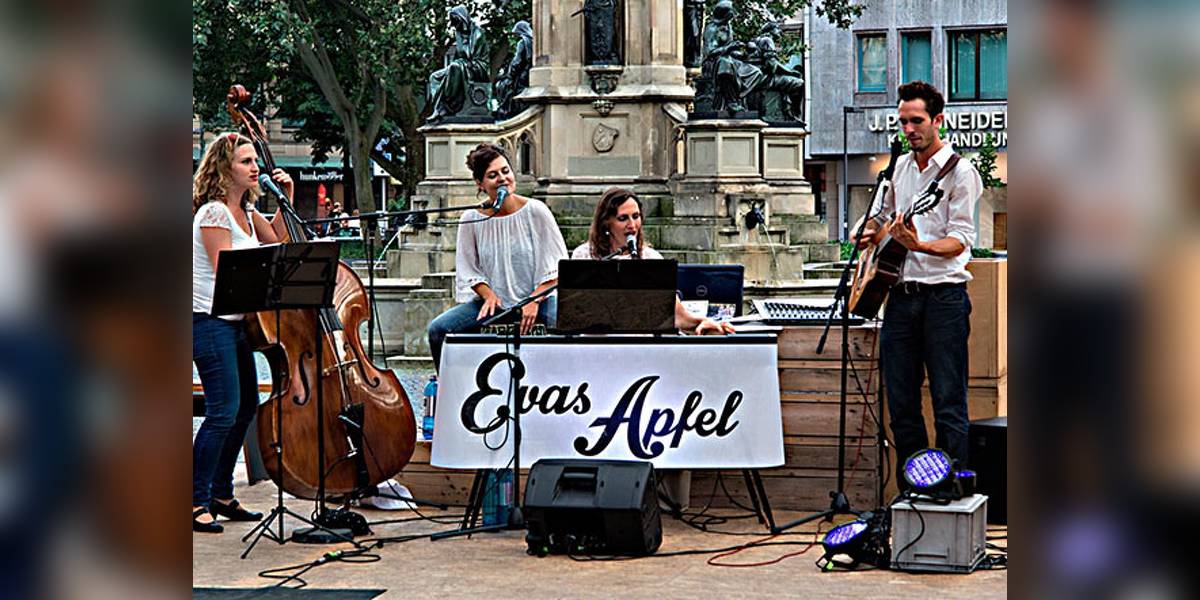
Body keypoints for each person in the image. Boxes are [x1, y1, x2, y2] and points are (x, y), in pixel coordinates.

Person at [854, 81, 981, 487]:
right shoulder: (899, 168)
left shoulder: (960, 173)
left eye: (917, 121)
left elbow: (960, 239)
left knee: (948, 400)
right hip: (900, 297)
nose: (908, 129)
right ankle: (915, 487)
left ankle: (951, 487)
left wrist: (919, 244)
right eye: (903, 121)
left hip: (944, 298)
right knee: (901, 402)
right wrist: (867, 232)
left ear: (937, 120)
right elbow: (881, 216)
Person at [192, 132, 289, 532]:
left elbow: (279, 242)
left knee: (246, 407)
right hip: (207, 320)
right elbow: (228, 273)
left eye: (255, 161)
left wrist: (284, 199)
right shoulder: (214, 213)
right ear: (224, 168)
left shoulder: (247, 212)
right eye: (246, 161)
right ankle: (194, 499)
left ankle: (220, 492)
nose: (255, 167)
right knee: (222, 412)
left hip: (236, 324)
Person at [426, 143, 568, 370]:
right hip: (492, 304)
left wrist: (533, 301)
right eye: (493, 175)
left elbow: (557, 268)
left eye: (505, 171)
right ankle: (447, 385)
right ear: (480, 184)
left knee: (570, 326)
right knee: (439, 329)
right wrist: (489, 295)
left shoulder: (536, 211)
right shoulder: (471, 219)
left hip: (538, 300)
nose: (502, 178)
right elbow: (468, 270)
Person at [571, 188, 736, 335]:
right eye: (623, 218)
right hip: (597, 347)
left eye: (636, 217)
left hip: (641, 347)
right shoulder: (584, 256)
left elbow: (678, 316)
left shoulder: (651, 258)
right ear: (606, 223)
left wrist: (706, 323)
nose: (632, 225)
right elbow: (575, 313)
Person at [426, 5, 491, 123]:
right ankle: (440, 106)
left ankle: (446, 107)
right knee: (434, 77)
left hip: (478, 66)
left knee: (454, 67)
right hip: (462, 64)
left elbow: (470, 55)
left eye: (456, 21)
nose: (454, 25)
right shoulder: (458, 34)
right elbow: (458, 55)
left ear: (463, 19)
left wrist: (458, 63)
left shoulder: (477, 34)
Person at [701, 0, 766, 112]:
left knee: (756, 72)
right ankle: (731, 101)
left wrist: (744, 54)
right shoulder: (712, 29)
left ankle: (737, 96)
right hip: (714, 61)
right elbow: (709, 52)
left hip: (730, 59)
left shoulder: (728, 27)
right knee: (725, 64)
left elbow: (732, 51)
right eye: (731, 13)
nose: (733, 15)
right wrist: (729, 47)